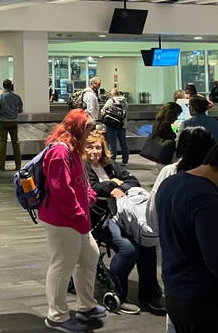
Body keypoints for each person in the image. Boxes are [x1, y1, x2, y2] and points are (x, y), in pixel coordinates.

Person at [38, 109, 104, 333]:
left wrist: (88, 197)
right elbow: (61, 190)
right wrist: (78, 213)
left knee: (89, 257)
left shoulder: (72, 147)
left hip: (76, 217)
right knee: (62, 266)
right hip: (63, 219)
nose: (91, 132)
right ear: (77, 128)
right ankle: (56, 316)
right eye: (88, 127)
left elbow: (78, 181)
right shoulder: (59, 151)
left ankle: (86, 306)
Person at [83, 132, 158, 315]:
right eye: (90, 147)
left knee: (147, 243)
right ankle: (118, 294)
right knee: (128, 249)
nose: (95, 151)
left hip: (124, 214)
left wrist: (117, 186)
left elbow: (133, 181)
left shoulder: (109, 164)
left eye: (98, 147)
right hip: (101, 219)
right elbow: (93, 189)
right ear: (83, 149)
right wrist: (114, 185)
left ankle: (149, 294)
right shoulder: (82, 167)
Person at [147, 126, 215, 317]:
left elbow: (152, 213)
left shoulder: (170, 174)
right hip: (203, 284)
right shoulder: (208, 185)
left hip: (173, 265)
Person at [0, 78, 23, 171]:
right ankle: (18, 165)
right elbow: (20, 110)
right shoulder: (17, 97)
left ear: (3, 86)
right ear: (11, 86)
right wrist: (13, 112)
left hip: (2, 122)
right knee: (16, 142)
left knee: (2, 142)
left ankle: (1, 165)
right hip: (13, 121)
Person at [101, 88, 129, 164]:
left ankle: (112, 160)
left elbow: (103, 110)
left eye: (110, 94)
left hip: (112, 124)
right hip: (122, 124)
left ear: (113, 94)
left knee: (112, 143)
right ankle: (125, 160)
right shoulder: (125, 101)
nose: (109, 96)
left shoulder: (111, 101)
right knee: (123, 142)